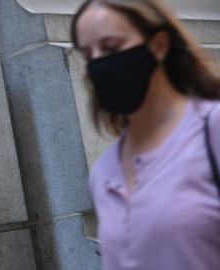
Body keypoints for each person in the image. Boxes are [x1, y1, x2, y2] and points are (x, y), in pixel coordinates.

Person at [70, 0, 220, 269]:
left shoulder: (212, 129)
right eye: (89, 54)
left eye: (111, 47)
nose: (98, 64)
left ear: (158, 45)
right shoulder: (105, 173)